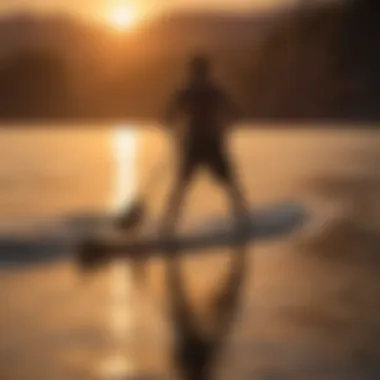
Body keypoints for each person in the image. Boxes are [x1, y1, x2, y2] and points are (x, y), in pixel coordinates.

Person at [161, 54, 250, 238]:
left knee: (182, 187)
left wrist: (176, 131)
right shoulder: (210, 91)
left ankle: (167, 229)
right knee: (229, 185)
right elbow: (236, 113)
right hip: (205, 144)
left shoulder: (190, 91)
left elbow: (167, 116)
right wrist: (225, 127)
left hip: (200, 144)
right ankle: (244, 224)